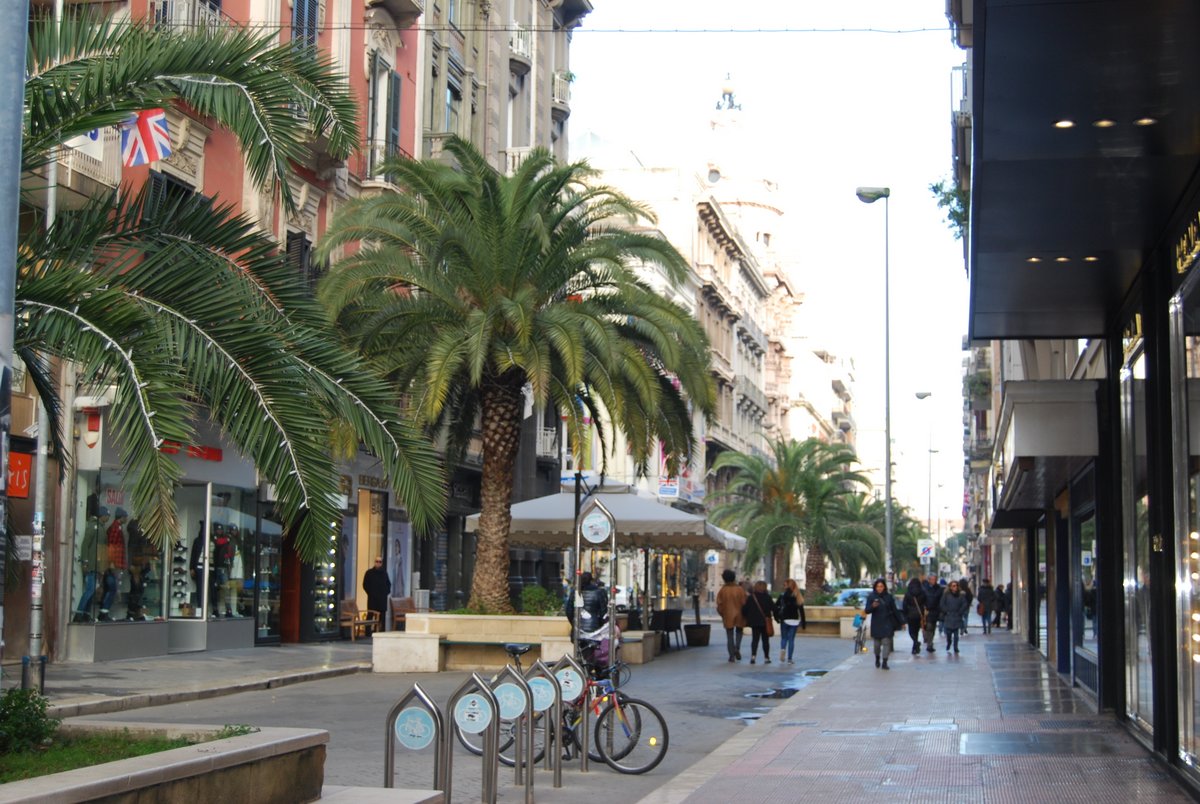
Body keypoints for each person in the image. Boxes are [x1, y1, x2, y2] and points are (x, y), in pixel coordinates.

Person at [74, 505, 109, 622]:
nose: (108, 517)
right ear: (102, 516)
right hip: (91, 565)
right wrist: (85, 561)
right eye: (106, 515)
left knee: (92, 590)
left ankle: (86, 613)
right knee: (89, 590)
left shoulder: (101, 528)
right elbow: (85, 544)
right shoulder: (93, 527)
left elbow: (102, 549)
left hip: (97, 566)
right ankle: (79, 613)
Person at [864, 578, 902, 670]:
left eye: (881, 586)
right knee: (877, 646)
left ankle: (885, 662)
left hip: (887, 623)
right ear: (875, 587)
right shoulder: (872, 597)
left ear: (884, 587)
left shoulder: (888, 597)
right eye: (878, 586)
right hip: (876, 624)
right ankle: (877, 658)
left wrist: (902, 621)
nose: (879, 588)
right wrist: (872, 606)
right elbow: (867, 610)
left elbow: (895, 610)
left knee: (886, 643)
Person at [716, 569, 747, 662]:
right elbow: (744, 602)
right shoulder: (740, 589)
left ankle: (731, 655)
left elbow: (719, 604)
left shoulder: (723, 590)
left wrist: (723, 614)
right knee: (739, 632)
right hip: (740, 614)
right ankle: (737, 647)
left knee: (729, 635)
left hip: (728, 614)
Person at [742, 580, 776, 665]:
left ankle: (753, 656)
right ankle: (766, 657)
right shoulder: (767, 597)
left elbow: (744, 609)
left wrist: (748, 617)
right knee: (765, 640)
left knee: (755, 640)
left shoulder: (751, 597)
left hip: (755, 622)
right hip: (765, 622)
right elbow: (774, 608)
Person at [775, 578, 803, 664]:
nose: (783, 586)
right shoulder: (798, 596)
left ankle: (783, 649)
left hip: (785, 619)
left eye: (784, 585)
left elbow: (776, 607)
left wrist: (777, 618)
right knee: (791, 640)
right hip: (794, 620)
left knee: (784, 638)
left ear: (787, 585)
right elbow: (801, 610)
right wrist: (804, 622)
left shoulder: (783, 595)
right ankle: (790, 659)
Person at [940, 579, 970, 654]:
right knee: (949, 633)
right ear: (950, 587)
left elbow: (964, 604)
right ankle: (949, 643)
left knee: (956, 634)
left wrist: (960, 611)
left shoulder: (960, 595)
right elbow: (942, 604)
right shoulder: (946, 595)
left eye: (956, 586)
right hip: (949, 616)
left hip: (957, 616)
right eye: (953, 586)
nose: (955, 587)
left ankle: (955, 647)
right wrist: (946, 611)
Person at [363, 555, 392, 626]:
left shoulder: (384, 573)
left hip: (382, 598)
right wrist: (370, 593)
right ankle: (368, 632)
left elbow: (388, 584)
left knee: (382, 616)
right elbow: (365, 584)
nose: (378, 563)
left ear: (382, 563)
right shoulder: (369, 573)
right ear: (374, 562)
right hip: (372, 598)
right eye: (377, 561)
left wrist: (385, 593)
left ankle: (381, 631)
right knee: (370, 614)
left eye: (380, 562)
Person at [901, 577, 927, 655]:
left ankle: (915, 643)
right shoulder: (922, 592)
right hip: (920, 614)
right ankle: (915, 646)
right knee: (916, 630)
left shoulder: (908, 593)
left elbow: (904, 605)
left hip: (910, 615)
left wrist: (904, 614)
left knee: (911, 631)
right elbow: (926, 602)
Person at [921, 574, 943, 653]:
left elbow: (941, 600)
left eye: (934, 579)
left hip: (935, 611)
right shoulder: (925, 588)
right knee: (928, 626)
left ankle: (930, 641)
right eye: (932, 579)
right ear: (929, 580)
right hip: (927, 611)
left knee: (932, 627)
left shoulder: (939, 589)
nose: (933, 581)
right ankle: (929, 644)